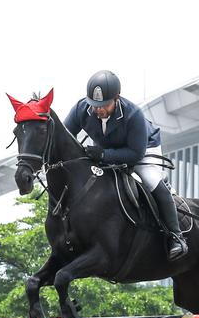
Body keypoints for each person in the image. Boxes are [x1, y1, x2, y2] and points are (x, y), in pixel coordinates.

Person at [63, 70, 188, 260]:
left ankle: (176, 236)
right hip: (108, 151)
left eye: (104, 105)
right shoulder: (82, 109)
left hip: (143, 149)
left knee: (152, 181)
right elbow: (66, 137)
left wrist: (103, 154)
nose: (98, 110)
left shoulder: (133, 114)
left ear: (117, 98)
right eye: (95, 105)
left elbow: (134, 154)